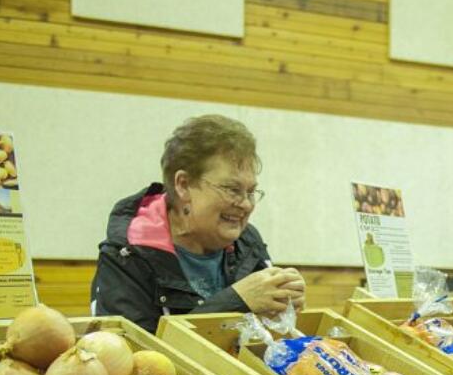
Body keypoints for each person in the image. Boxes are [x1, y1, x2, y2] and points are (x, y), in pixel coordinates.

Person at [91, 114, 305, 333]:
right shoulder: (126, 256)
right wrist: (236, 301)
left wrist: (283, 305)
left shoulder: (248, 241)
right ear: (183, 185)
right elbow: (136, 355)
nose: (246, 205)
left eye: (250, 192)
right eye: (232, 189)